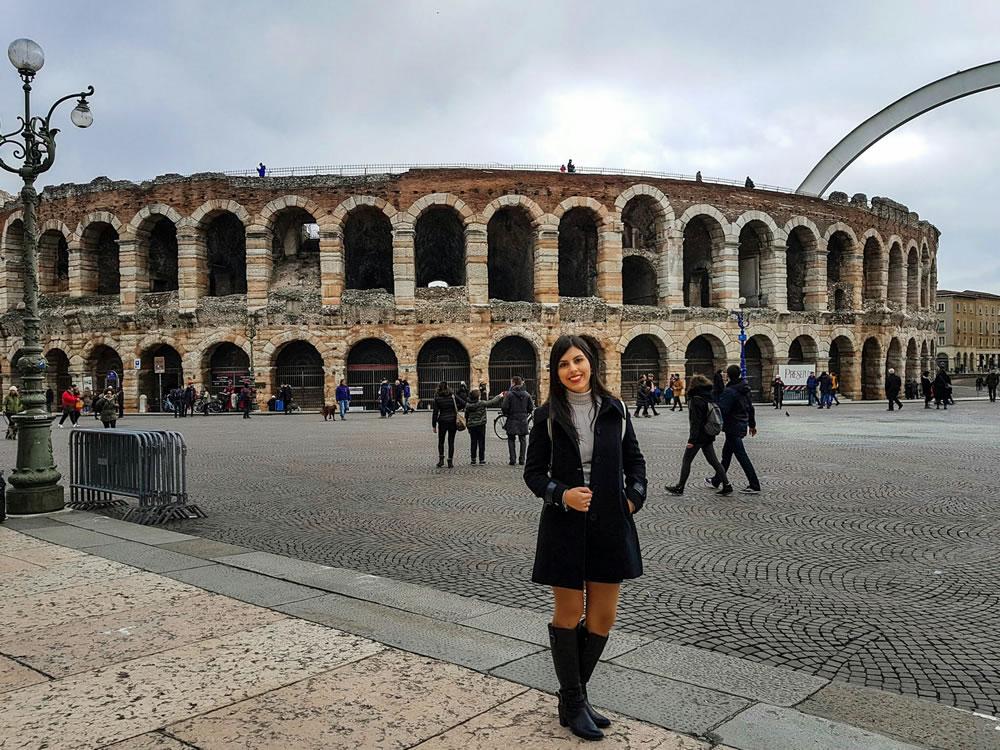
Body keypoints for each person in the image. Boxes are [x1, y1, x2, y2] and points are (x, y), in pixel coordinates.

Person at [522, 334, 647, 741]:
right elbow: (534, 474)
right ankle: (575, 702)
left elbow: (636, 462)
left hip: (612, 523)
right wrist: (562, 495)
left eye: (578, 361)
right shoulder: (546, 417)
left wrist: (632, 500)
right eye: (563, 364)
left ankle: (573, 696)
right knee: (569, 612)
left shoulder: (616, 409)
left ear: (591, 363)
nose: (572, 370)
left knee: (603, 617)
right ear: (555, 372)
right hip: (565, 524)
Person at [665, 374, 732, 496]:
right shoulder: (708, 396)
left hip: (699, 436)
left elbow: (696, 422)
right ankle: (727, 485)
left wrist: (692, 440)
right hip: (708, 434)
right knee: (714, 461)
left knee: (686, 460)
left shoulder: (695, 399)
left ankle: (680, 487)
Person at [710, 365, 760, 494]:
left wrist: (716, 398)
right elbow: (750, 408)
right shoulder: (744, 388)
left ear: (728, 376)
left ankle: (754, 484)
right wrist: (752, 424)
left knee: (742, 456)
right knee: (726, 455)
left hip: (733, 426)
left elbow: (723, 409)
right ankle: (717, 480)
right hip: (741, 424)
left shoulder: (730, 391)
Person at [464, 388, 504, 464]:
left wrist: (467, 425)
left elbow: (466, 416)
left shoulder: (468, 405)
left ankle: (473, 459)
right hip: (481, 425)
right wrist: (499, 396)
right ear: (478, 396)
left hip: (472, 425)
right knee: (481, 442)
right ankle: (481, 459)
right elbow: (491, 402)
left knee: (473, 442)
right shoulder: (481, 403)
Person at [431, 381, 465, 468]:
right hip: (452, 421)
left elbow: (435, 412)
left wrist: (434, 425)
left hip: (442, 421)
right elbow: (463, 403)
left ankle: (441, 460)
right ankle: (450, 461)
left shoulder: (437, 398)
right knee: (451, 441)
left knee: (441, 441)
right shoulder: (452, 396)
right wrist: (456, 409)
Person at [502, 375, 534, 465]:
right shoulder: (527, 394)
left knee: (511, 439)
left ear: (513, 383)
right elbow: (531, 407)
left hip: (512, 418)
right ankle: (522, 459)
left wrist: (507, 413)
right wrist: (525, 413)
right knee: (523, 439)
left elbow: (504, 407)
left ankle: (512, 459)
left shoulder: (509, 395)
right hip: (523, 419)